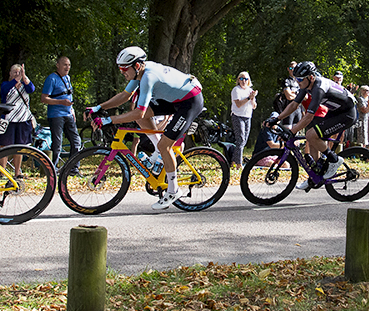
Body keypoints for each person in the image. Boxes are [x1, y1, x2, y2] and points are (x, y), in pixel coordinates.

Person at [89, 46, 205, 210]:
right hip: (175, 99)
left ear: (136, 66)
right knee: (142, 119)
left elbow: (139, 112)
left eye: (124, 68)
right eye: (120, 68)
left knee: (165, 144)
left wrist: (109, 120)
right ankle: (159, 152)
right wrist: (97, 107)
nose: (122, 72)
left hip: (190, 101)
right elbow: (125, 96)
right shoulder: (140, 72)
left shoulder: (148, 77)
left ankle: (173, 190)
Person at [265, 61, 356, 190]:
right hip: (335, 112)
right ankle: (316, 173)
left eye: (300, 79)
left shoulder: (318, 87)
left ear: (311, 77)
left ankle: (334, 160)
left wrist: (292, 132)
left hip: (347, 114)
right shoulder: (307, 84)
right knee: (311, 135)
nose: (298, 82)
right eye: (296, 79)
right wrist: (277, 119)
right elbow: (294, 105)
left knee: (311, 134)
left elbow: (309, 116)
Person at [41, 56, 83, 168]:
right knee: (57, 144)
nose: (67, 67)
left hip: (68, 114)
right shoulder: (52, 79)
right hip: (56, 115)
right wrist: (61, 102)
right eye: (65, 65)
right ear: (58, 65)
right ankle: (52, 169)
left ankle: (73, 168)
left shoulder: (67, 78)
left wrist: (72, 110)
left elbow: (69, 96)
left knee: (76, 141)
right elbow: (44, 99)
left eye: (69, 65)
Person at [0, 63, 36, 177]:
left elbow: (32, 89)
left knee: (19, 146)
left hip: (22, 119)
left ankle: (17, 171)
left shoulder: (25, 85)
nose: (17, 75)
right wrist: (15, 81)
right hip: (8, 119)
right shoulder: (6, 84)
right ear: (10, 73)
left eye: (19, 72)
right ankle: (2, 172)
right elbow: (4, 91)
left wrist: (24, 78)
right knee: (4, 145)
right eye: (15, 72)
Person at [229, 71, 257, 168]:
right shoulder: (236, 90)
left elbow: (254, 106)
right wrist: (249, 98)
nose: (243, 81)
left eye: (245, 79)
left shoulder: (250, 91)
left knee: (244, 141)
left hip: (247, 116)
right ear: (238, 80)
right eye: (241, 79)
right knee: (240, 139)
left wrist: (252, 98)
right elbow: (238, 104)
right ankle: (239, 163)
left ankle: (233, 161)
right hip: (237, 116)